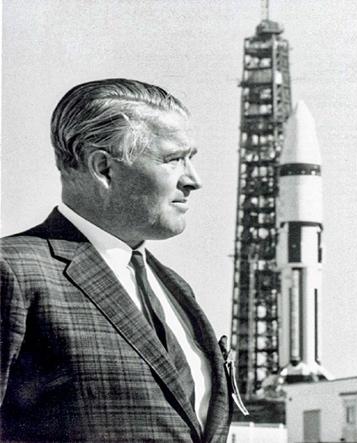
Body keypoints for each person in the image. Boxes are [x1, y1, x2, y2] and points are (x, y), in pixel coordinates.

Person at [0, 79, 232, 442]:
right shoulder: (14, 271)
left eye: (191, 159)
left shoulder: (175, 288)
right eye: (174, 160)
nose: (193, 180)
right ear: (103, 168)